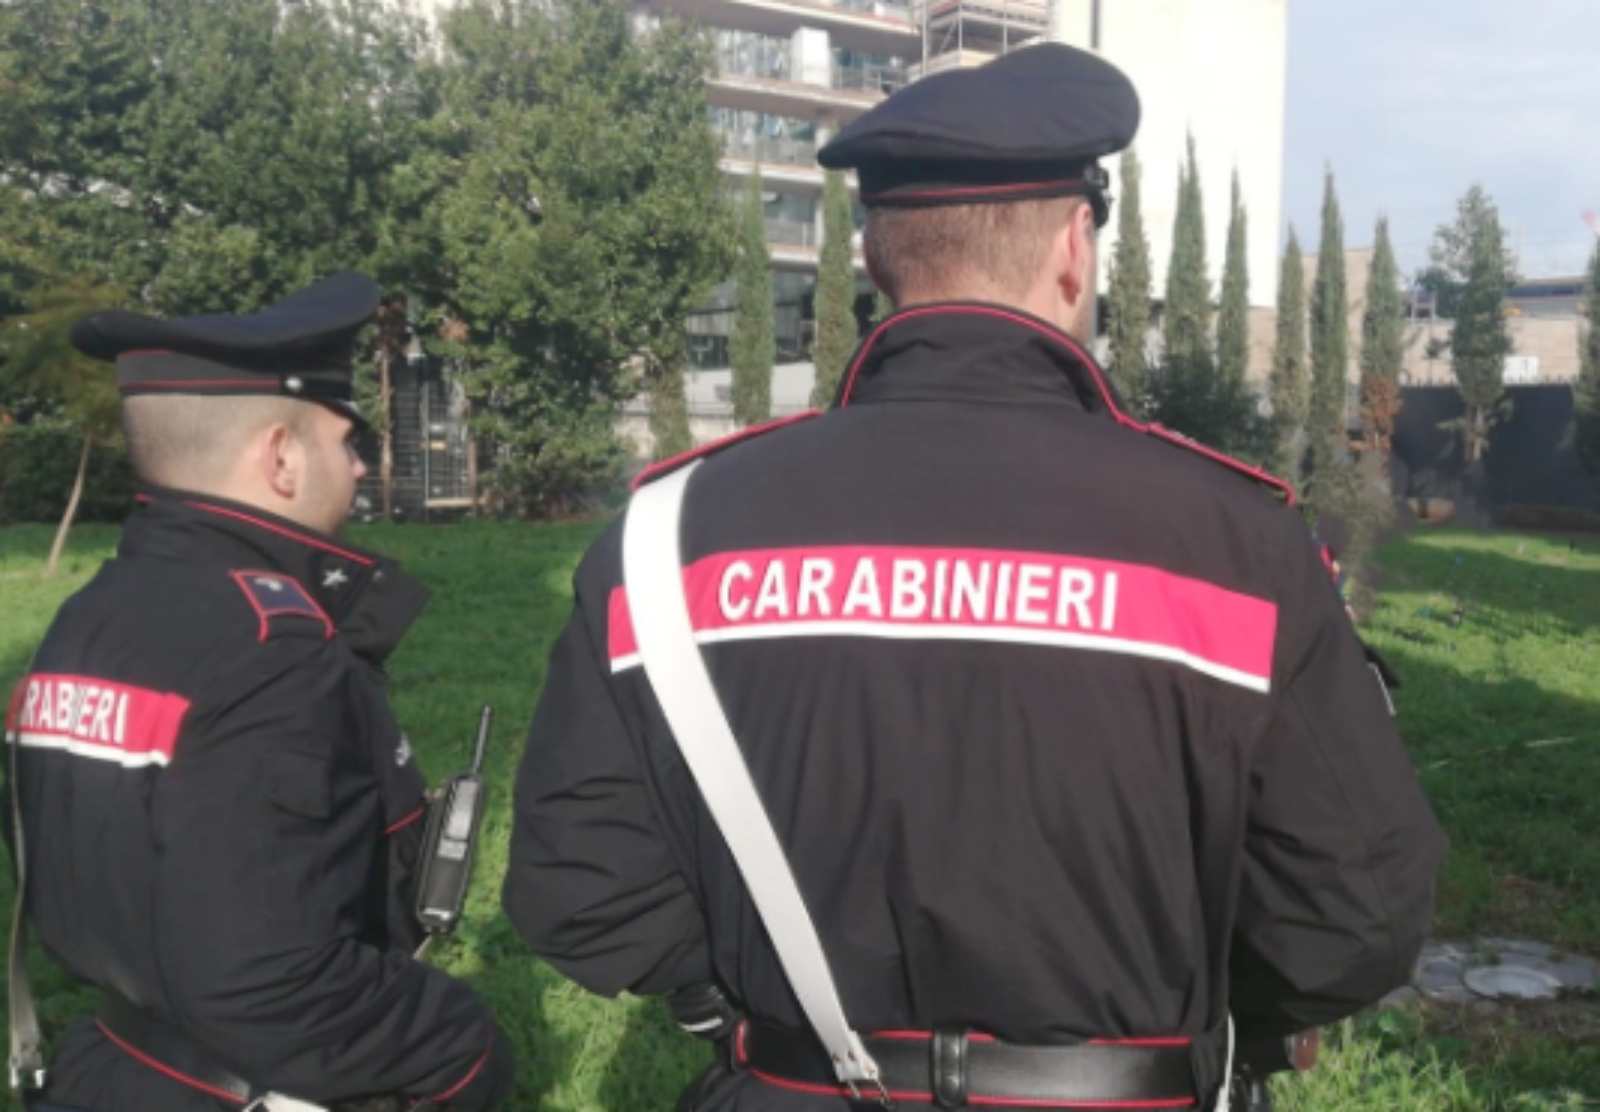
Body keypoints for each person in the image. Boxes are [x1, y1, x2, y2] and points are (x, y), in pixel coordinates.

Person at [502, 43, 1444, 1111]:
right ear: (1074, 246)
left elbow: (578, 885)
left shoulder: (664, 535)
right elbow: (1355, 911)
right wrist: (1212, 1024)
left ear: (875, 258)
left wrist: (758, 1015)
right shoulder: (1237, 541)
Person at [3, 274, 512, 1110]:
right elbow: (272, 984)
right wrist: (463, 1046)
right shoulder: (270, 648)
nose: (359, 468)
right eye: (348, 442)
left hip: (107, 1067)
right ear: (281, 457)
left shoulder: (89, 613)